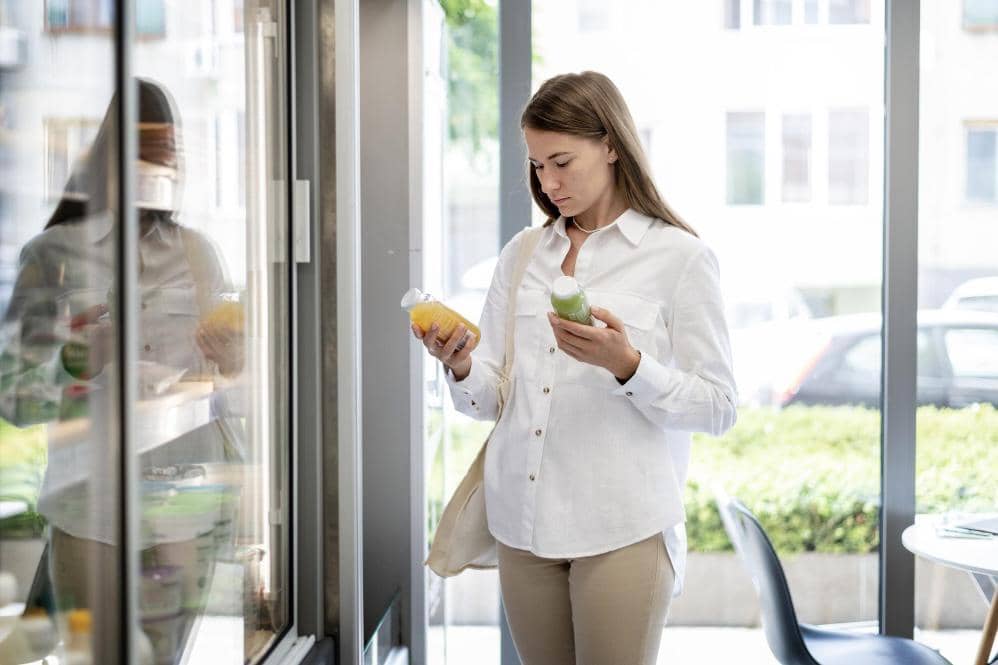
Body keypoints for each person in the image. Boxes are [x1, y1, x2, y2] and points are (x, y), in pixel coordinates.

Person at [412, 71, 738, 665]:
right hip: (522, 526)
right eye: (538, 166)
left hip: (622, 528)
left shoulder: (680, 258)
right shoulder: (523, 254)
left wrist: (628, 366)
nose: (549, 182)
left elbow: (719, 407)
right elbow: (493, 399)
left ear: (611, 146)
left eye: (562, 162)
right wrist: (460, 366)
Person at [0, 79, 243, 659]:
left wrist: (234, 360)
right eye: (146, 150)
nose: (161, 167)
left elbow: (231, 385)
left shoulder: (199, 253)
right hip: (91, 511)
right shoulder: (51, 256)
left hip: (187, 504)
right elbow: (12, 399)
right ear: (111, 156)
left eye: (169, 152)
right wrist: (76, 361)